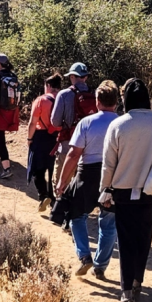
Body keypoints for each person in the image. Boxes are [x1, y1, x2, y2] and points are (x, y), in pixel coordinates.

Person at [101, 79, 152, 302]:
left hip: (122, 192)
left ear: (126, 99)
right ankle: (137, 283)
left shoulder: (118, 125)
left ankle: (125, 291)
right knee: (144, 238)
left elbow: (108, 164)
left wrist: (105, 191)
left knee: (125, 241)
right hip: (150, 192)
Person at [52, 80, 121, 280]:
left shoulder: (87, 122)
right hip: (114, 177)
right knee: (108, 222)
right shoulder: (122, 123)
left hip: (87, 174)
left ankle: (84, 255)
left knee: (76, 217)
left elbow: (73, 154)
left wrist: (62, 181)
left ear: (97, 101)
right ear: (116, 102)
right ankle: (100, 266)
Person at [51, 62, 96, 194]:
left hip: (68, 145)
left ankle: (59, 210)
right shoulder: (96, 94)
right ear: (85, 77)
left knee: (61, 183)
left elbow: (55, 122)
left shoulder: (64, 94)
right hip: (90, 148)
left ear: (72, 76)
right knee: (80, 187)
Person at [27, 73, 63, 212]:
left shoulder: (41, 100)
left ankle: (43, 196)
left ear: (48, 86)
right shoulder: (64, 98)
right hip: (58, 137)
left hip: (41, 136)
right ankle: (53, 198)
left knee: (38, 169)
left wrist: (29, 139)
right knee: (53, 168)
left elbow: (32, 123)